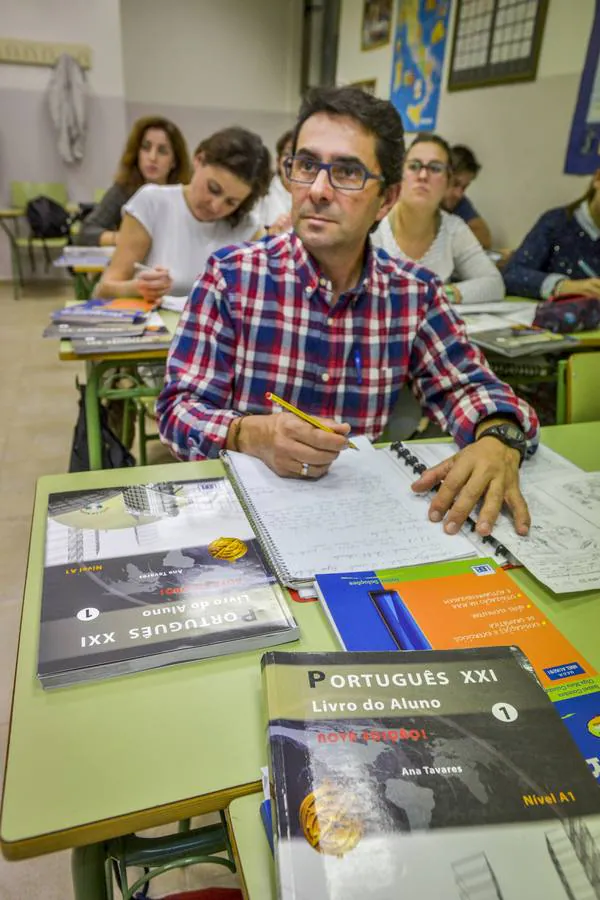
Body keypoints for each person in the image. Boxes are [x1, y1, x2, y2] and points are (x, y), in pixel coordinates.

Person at [158, 86, 539, 539]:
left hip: (361, 521)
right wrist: (246, 434)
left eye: (347, 172)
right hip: (245, 518)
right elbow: (178, 410)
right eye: (306, 165)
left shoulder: (412, 293)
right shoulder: (233, 278)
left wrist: (497, 439)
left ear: (387, 199)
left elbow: (468, 387)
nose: (317, 190)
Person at [96, 126, 271, 301]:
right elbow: (103, 290)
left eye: (232, 202)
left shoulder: (250, 229)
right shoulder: (151, 203)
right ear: (198, 159)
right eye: (213, 188)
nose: (216, 206)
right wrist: (137, 288)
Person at [372, 133, 504, 305]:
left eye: (435, 168)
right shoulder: (373, 223)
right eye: (414, 166)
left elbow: (494, 284)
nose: (423, 176)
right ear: (399, 175)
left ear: (448, 182)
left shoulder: (454, 229)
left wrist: (439, 294)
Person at [75, 116, 191, 247]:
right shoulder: (123, 190)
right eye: (146, 148)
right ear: (137, 154)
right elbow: (86, 233)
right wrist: (123, 238)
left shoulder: (185, 194)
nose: (152, 157)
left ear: (174, 161)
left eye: (162, 151)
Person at [503, 171, 600, 300]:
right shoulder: (558, 223)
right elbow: (512, 275)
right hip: (552, 315)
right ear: (598, 179)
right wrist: (561, 286)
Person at [442, 144, 492, 249]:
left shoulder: (459, 203)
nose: (459, 194)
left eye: (464, 187)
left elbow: (484, 238)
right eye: (455, 184)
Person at [257, 129, 293, 233]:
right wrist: (270, 233)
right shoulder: (262, 191)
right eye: (288, 154)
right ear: (278, 161)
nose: (293, 161)